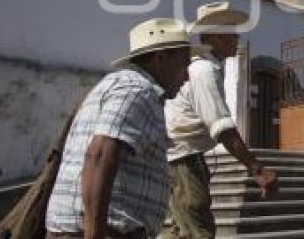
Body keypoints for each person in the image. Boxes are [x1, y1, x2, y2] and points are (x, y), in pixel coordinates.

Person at [45, 18, 204, 239]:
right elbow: (98, 154)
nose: (186, 76)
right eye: (184, 64)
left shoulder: (115, 85)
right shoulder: (138, 91)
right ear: (160, 58)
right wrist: (95, 235)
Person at [161, 2, 278, 239]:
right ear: (217, 37)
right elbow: (222, 128)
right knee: (198, 232)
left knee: (176, 232)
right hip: (182, 162)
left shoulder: (203, 68)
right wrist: (257, 168)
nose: (237, 39)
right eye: (232, 34)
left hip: (180, 160)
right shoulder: (205, 71)